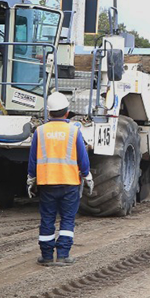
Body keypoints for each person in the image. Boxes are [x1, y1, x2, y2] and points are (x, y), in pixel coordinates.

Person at [28, 92, 93, 266]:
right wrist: (87, 175)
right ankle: (63, 255)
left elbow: (33, 159)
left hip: (47, 183)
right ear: (67, 112)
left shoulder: (40, 131)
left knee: (47, 219)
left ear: (49, 112)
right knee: (67, 219)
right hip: (69, 183)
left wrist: (31, 178)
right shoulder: (74, 131)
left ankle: (47, 256)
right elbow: (83, 158)